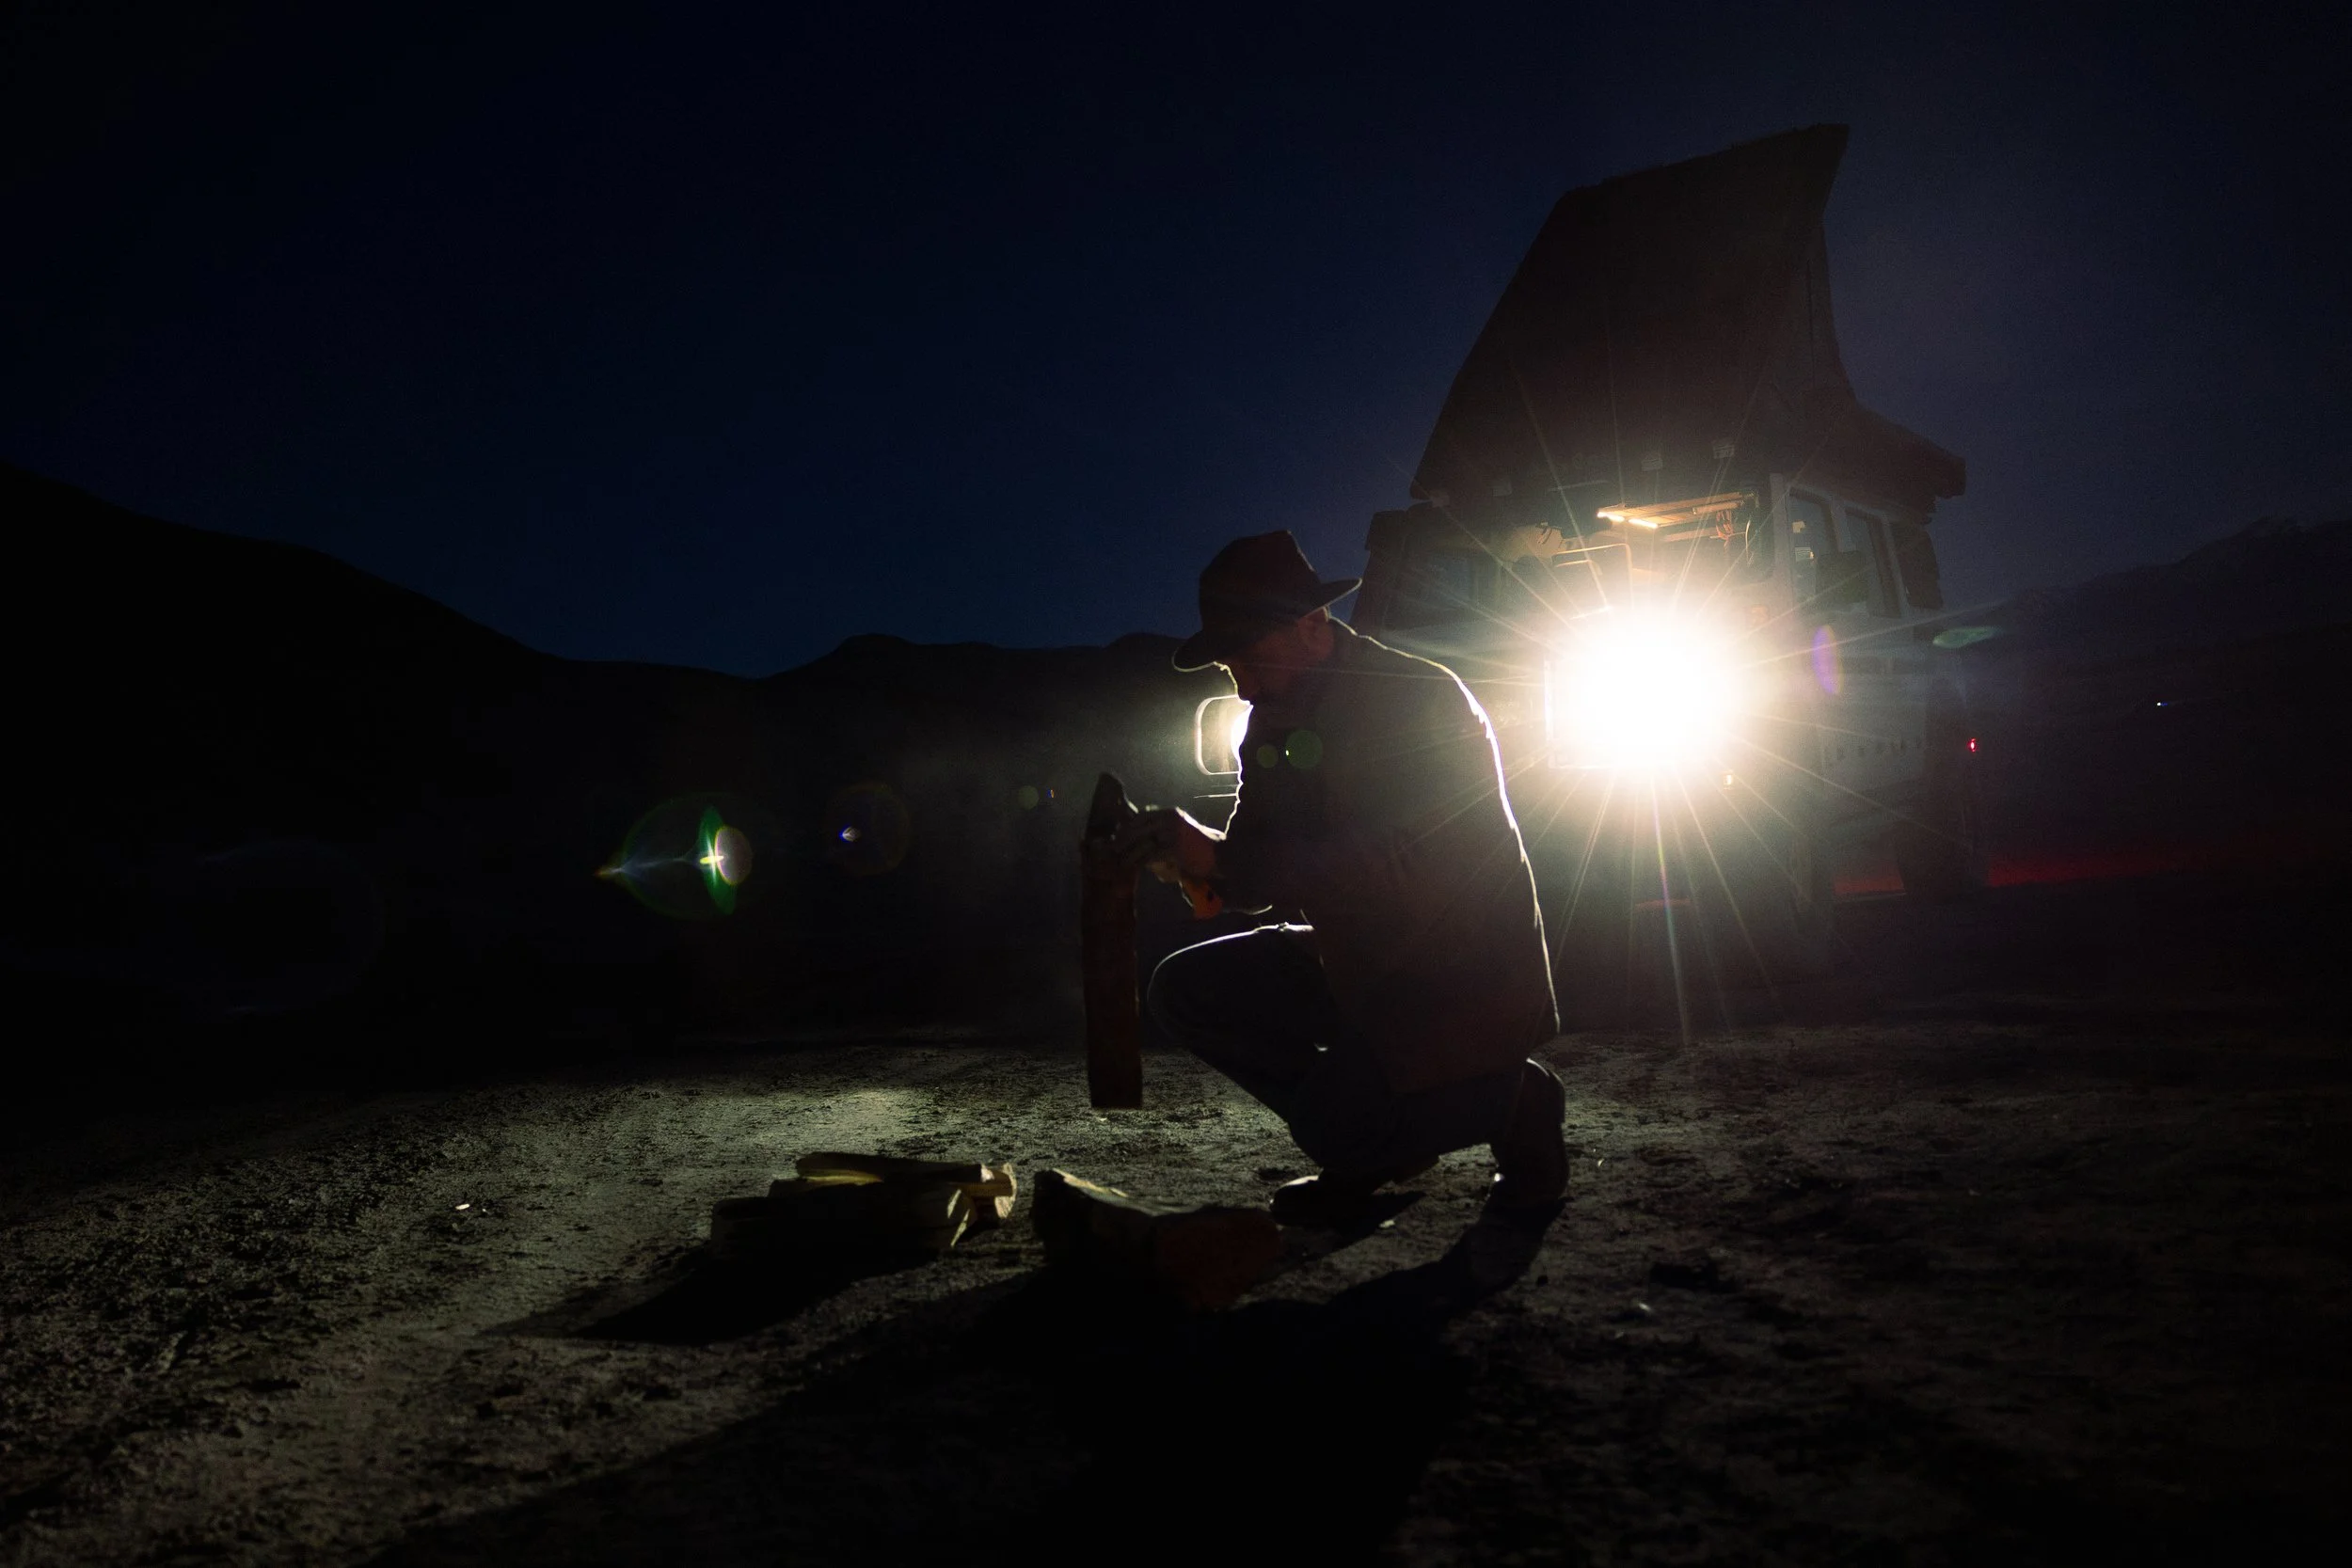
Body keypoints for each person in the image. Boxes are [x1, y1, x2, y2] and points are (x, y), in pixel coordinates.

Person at [1120, 531, 1567, 1225]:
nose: (1238, 679)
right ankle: (1381, 1134)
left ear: (1311, 624)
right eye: (1227, 661)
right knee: (1185, 990)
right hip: (1367, 958)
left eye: (1247, 652)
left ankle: (1515, 1101)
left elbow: (1392, 864)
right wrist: (1187, 849)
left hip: (1457, 973)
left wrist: (1221, 862)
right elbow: (1254, 863)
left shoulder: (1416, 698)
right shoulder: (1270, 720)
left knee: (1332, 1128)